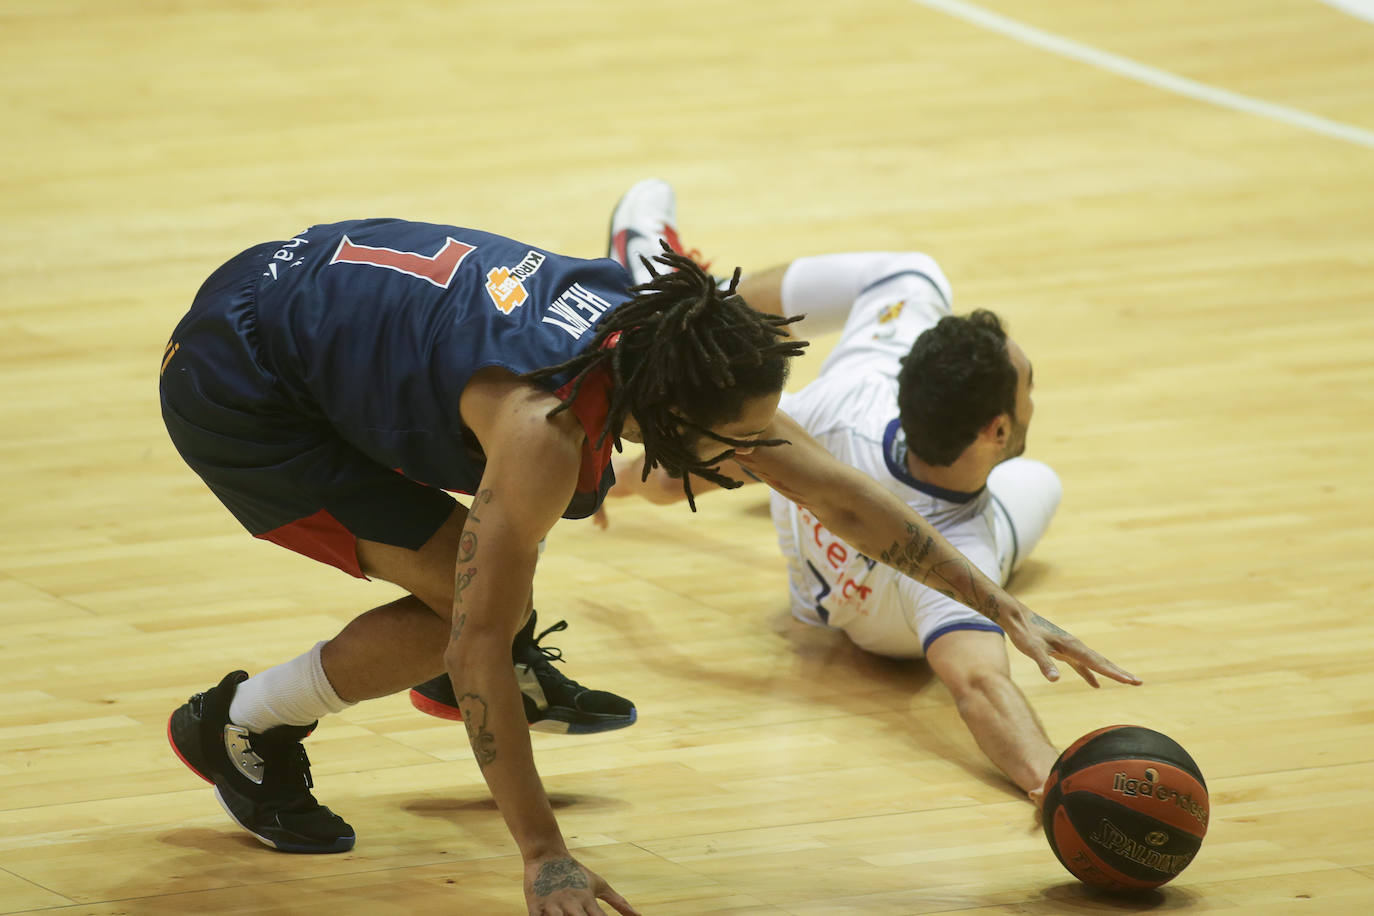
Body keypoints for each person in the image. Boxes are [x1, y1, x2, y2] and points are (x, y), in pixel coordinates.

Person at [159, 208, 1137, 915]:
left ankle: (446, 680)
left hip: (304, 293)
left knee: (484, 592)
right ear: (671, 418)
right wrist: (544, 854)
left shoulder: (667, 333)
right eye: (739, 440)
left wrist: (998, 602)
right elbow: (475, 643)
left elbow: (833, 491)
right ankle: (239, 726)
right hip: (243, 386)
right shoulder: (542, 433)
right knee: (465, 612)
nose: (757, 455)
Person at [599, 179, 1097, 805]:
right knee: (1042, 482)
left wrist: (610, 483)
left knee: (911, 273)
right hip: (868, 599)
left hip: (821, 512)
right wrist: (1057, 785)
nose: (1033, 396)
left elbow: (676, 476)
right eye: (1030, 386)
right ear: (997, 431)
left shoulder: (837, 403)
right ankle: (686, 314)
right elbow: (980, 686)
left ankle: (691, 309)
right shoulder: (959, 557)